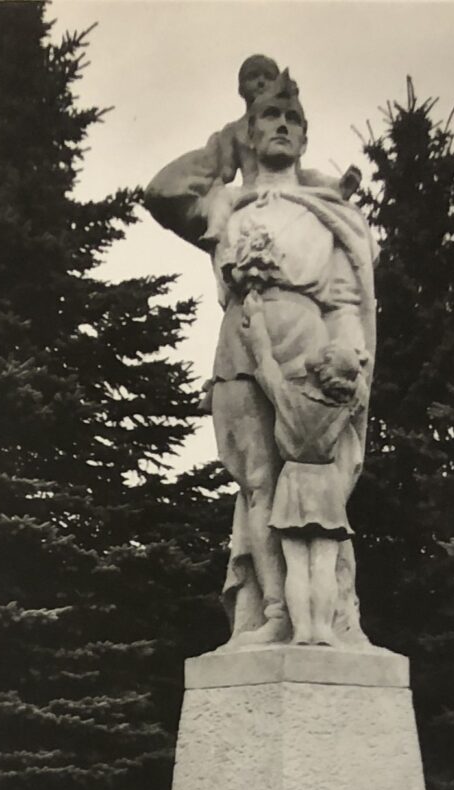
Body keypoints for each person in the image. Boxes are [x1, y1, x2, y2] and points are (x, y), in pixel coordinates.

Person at [146, 68, 377, 648]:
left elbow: (346, 299)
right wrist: (229, 148)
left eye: (292, 119)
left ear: (305, 136)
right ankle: (273, 611)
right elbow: (162, 190)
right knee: (257, 482)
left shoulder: (327, 211)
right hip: (241, 344)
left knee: (315, 486)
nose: (281, 126)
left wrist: (350, 360)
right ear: (249, 132)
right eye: (268, 118)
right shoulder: (227, 204)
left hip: (308, 349)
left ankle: (327, 619)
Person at [241, 290, 369, 645]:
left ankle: (301, 632)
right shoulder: (345, 406)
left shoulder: (288, 397)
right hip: (326, 483)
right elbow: (360, 386)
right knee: (324, 564)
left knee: (296, 565)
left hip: (294, 480)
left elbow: (264, 360)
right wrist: (355, 363)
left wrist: (258, 318)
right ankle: (324, 631)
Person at [144, 55, 361, 253]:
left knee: (311, 177)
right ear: (240, 89)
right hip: (251, 189)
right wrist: (217, 185)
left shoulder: (285, 126)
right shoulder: (233, 130)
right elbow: (226, 170)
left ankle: (338, 187)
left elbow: (298, 170)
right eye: (253, 76)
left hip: (289, 185)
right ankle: (215, 231)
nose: (260, 82)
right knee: (223, 199)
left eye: (268, 77)